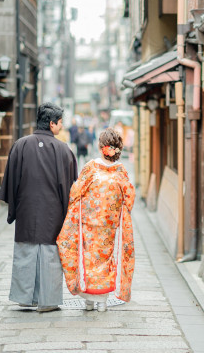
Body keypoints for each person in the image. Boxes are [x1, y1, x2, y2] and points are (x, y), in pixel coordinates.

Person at [0, 103, 78, 312]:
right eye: (60, 123)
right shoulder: (63, 151)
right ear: (52, 124)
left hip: (26, 211)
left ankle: (24, 298)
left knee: (26, 253)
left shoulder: (20, 145)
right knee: (50, 256)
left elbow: (11, 181)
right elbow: (71, 188)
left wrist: (15, 208)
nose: (61, 127)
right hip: (53, 215)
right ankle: (48, 301)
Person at [57, 128, 135, 312]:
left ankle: (89, 300)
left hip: (89, 225)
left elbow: (76, 191)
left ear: (101, 148)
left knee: (88, 261)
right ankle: (102, 302)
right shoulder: (121, 171)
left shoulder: (91, 167)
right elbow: (129, 197)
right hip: (110, 226)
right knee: (106, 260)